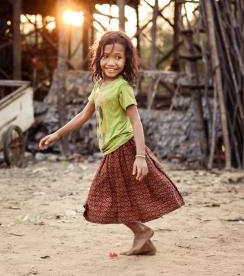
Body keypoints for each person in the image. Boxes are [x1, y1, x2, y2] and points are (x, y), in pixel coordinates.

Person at [39, 31, 184, 256]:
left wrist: (140, 156)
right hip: (111, 150)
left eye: (118, 57)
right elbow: (83, 114)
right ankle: (143, 238)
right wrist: (57, 134)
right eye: (106, 56)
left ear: (126, 61)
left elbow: (137, 122)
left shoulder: (122, 87)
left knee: (108, 196)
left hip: (124, 147)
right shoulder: (99, 85)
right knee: (117, 196)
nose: (111, 62)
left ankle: (141, 232)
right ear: (98, 58)